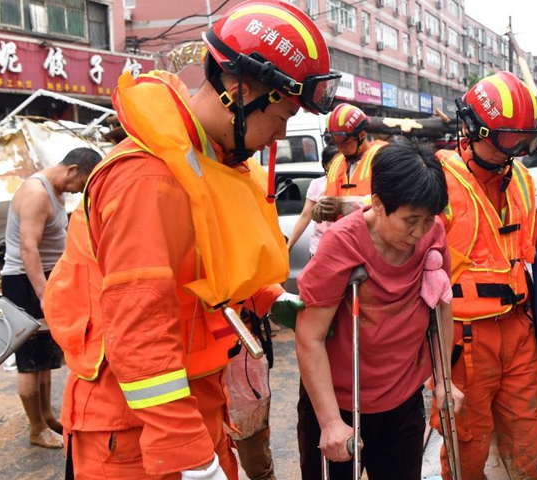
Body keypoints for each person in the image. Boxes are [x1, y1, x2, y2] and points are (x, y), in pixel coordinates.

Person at [43, 1, 336, 478]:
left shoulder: (208, 162)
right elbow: (140, 334)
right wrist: (192, 460)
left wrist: (269, 298)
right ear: (240, 91)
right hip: (133, 433)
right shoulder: (147, 179)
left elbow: (203, 266)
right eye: (281, 117)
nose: (277, 135)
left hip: (193, 405)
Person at [433, 71, 537, 480]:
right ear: (472, 129)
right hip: (465, 340)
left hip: (518, 330)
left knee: (528, 443)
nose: (518, 151)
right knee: (466, 446)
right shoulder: (437, 180)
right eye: (509, 141)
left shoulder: (521, 178)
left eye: (526, 141)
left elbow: (526, 251)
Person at [295, 141, 464, 480]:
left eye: (428, 219)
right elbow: (309, 335)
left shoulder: (433, 236)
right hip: (342, 403)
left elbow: (441, 307)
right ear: (377, 204)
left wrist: (444, 380)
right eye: (409, 221)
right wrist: (329, 422)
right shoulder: (341, 244)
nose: (418, 233)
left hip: (402, 399)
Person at [0, 147, 101, 449]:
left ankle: (45, 416)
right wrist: (44, 294)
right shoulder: (36, 191)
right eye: (81, 183)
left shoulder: (54, 193)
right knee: (29, 361)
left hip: (43, 279)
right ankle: (35, 429)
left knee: (44, 359)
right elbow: (28, 249)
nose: (79, 191)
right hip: (27, 282)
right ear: (72, 169)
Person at [310, 103, 387, 223]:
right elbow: (332, 201)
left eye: (345, 143)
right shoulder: (336, 164)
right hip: (345, 237)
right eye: (337, 144)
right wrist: (323, 208)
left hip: (375, 238)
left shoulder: (384, 156)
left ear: (362, 135)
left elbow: (389, 201)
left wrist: (345, 205)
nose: (340, 149)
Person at [286, 145, 338, 256]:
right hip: (319, 248)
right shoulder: (317, 184)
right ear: (326, 166)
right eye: (334, 163)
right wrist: (290, 244)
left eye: (342, 163)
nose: (339, 167)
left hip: (344, 248)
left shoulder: (351, 185)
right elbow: (305, 216)